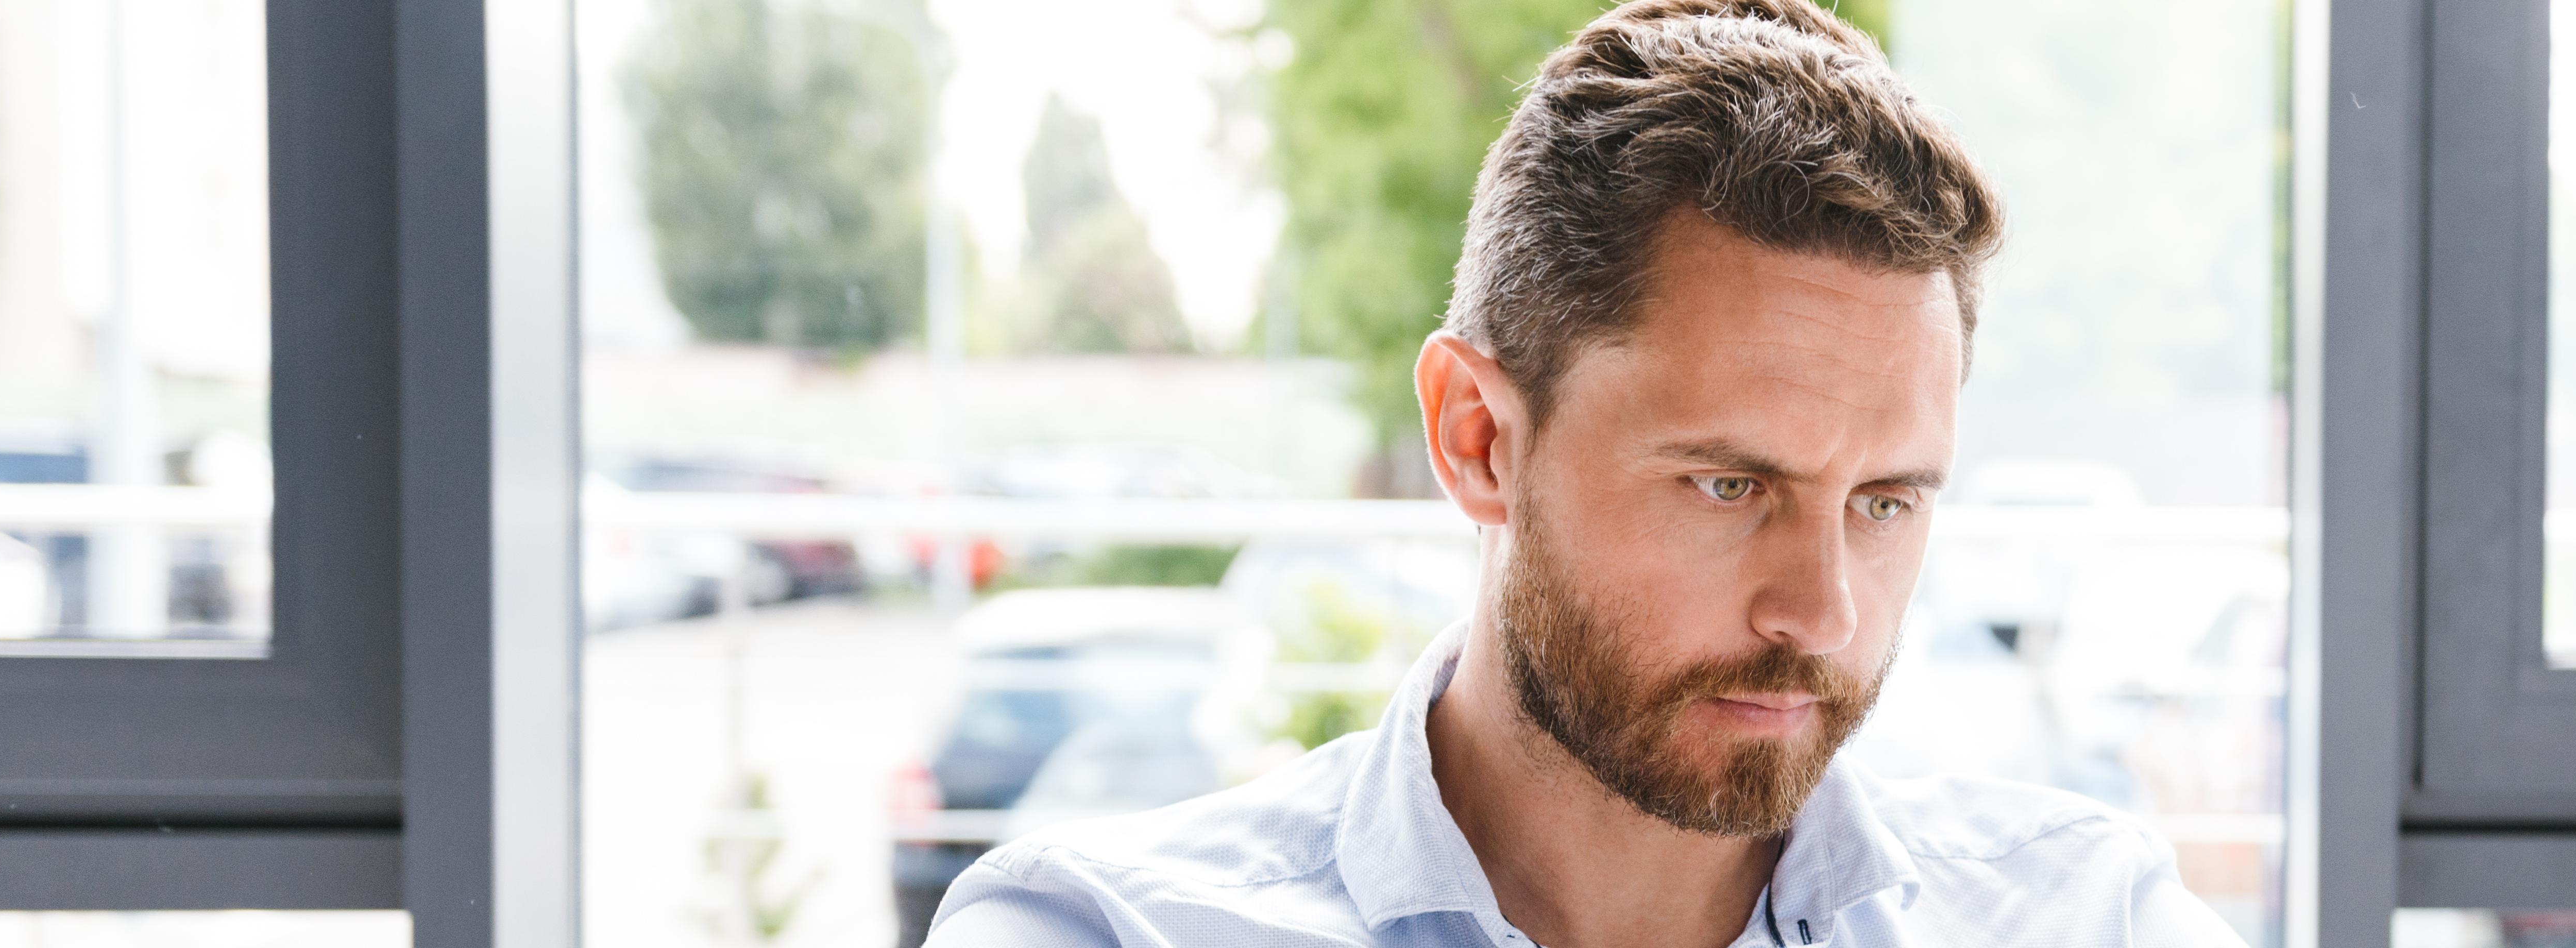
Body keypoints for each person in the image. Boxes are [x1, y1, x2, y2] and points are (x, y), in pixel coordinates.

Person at [924, 1, 2245, 944]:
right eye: (1729, 485)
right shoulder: (1103, 927)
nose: (1822, 610)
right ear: (1477, 437)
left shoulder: (2085, 910)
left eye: (1885, 501)